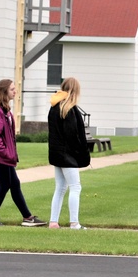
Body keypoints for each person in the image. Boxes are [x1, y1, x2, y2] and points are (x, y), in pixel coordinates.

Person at [0, 79, 47, 227]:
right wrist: (6, 153)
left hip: (4, 156)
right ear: (4, 92)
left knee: (14, 183)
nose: (15, 91)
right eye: (12, 89)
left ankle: (27, 218)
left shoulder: (6, 111)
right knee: (5, 185)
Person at [47, 77, 91, 230]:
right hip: (68, 155)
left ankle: (53, 221)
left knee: (60, 188)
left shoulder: (54, 107)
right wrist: (81, 153)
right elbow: (73, 136)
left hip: (57, 153)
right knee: (75, 187)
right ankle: (74, 223)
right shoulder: (70, 109)